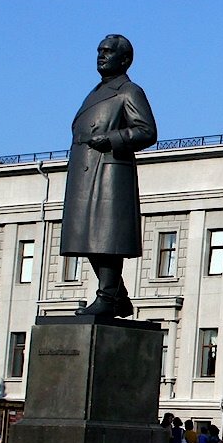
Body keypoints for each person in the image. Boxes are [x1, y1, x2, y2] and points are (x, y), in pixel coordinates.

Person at [59, 34, 158, 319]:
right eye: (99, 51)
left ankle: (107, 296)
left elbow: (147, 131)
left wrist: (112, 138)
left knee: (105, 237)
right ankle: (118, 296)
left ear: (124, 59)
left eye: (108, 51)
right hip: (86, 171)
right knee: (86, 237)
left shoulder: (129, 91)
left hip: (109, 171)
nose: (101, 55)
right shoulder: (94, 92)